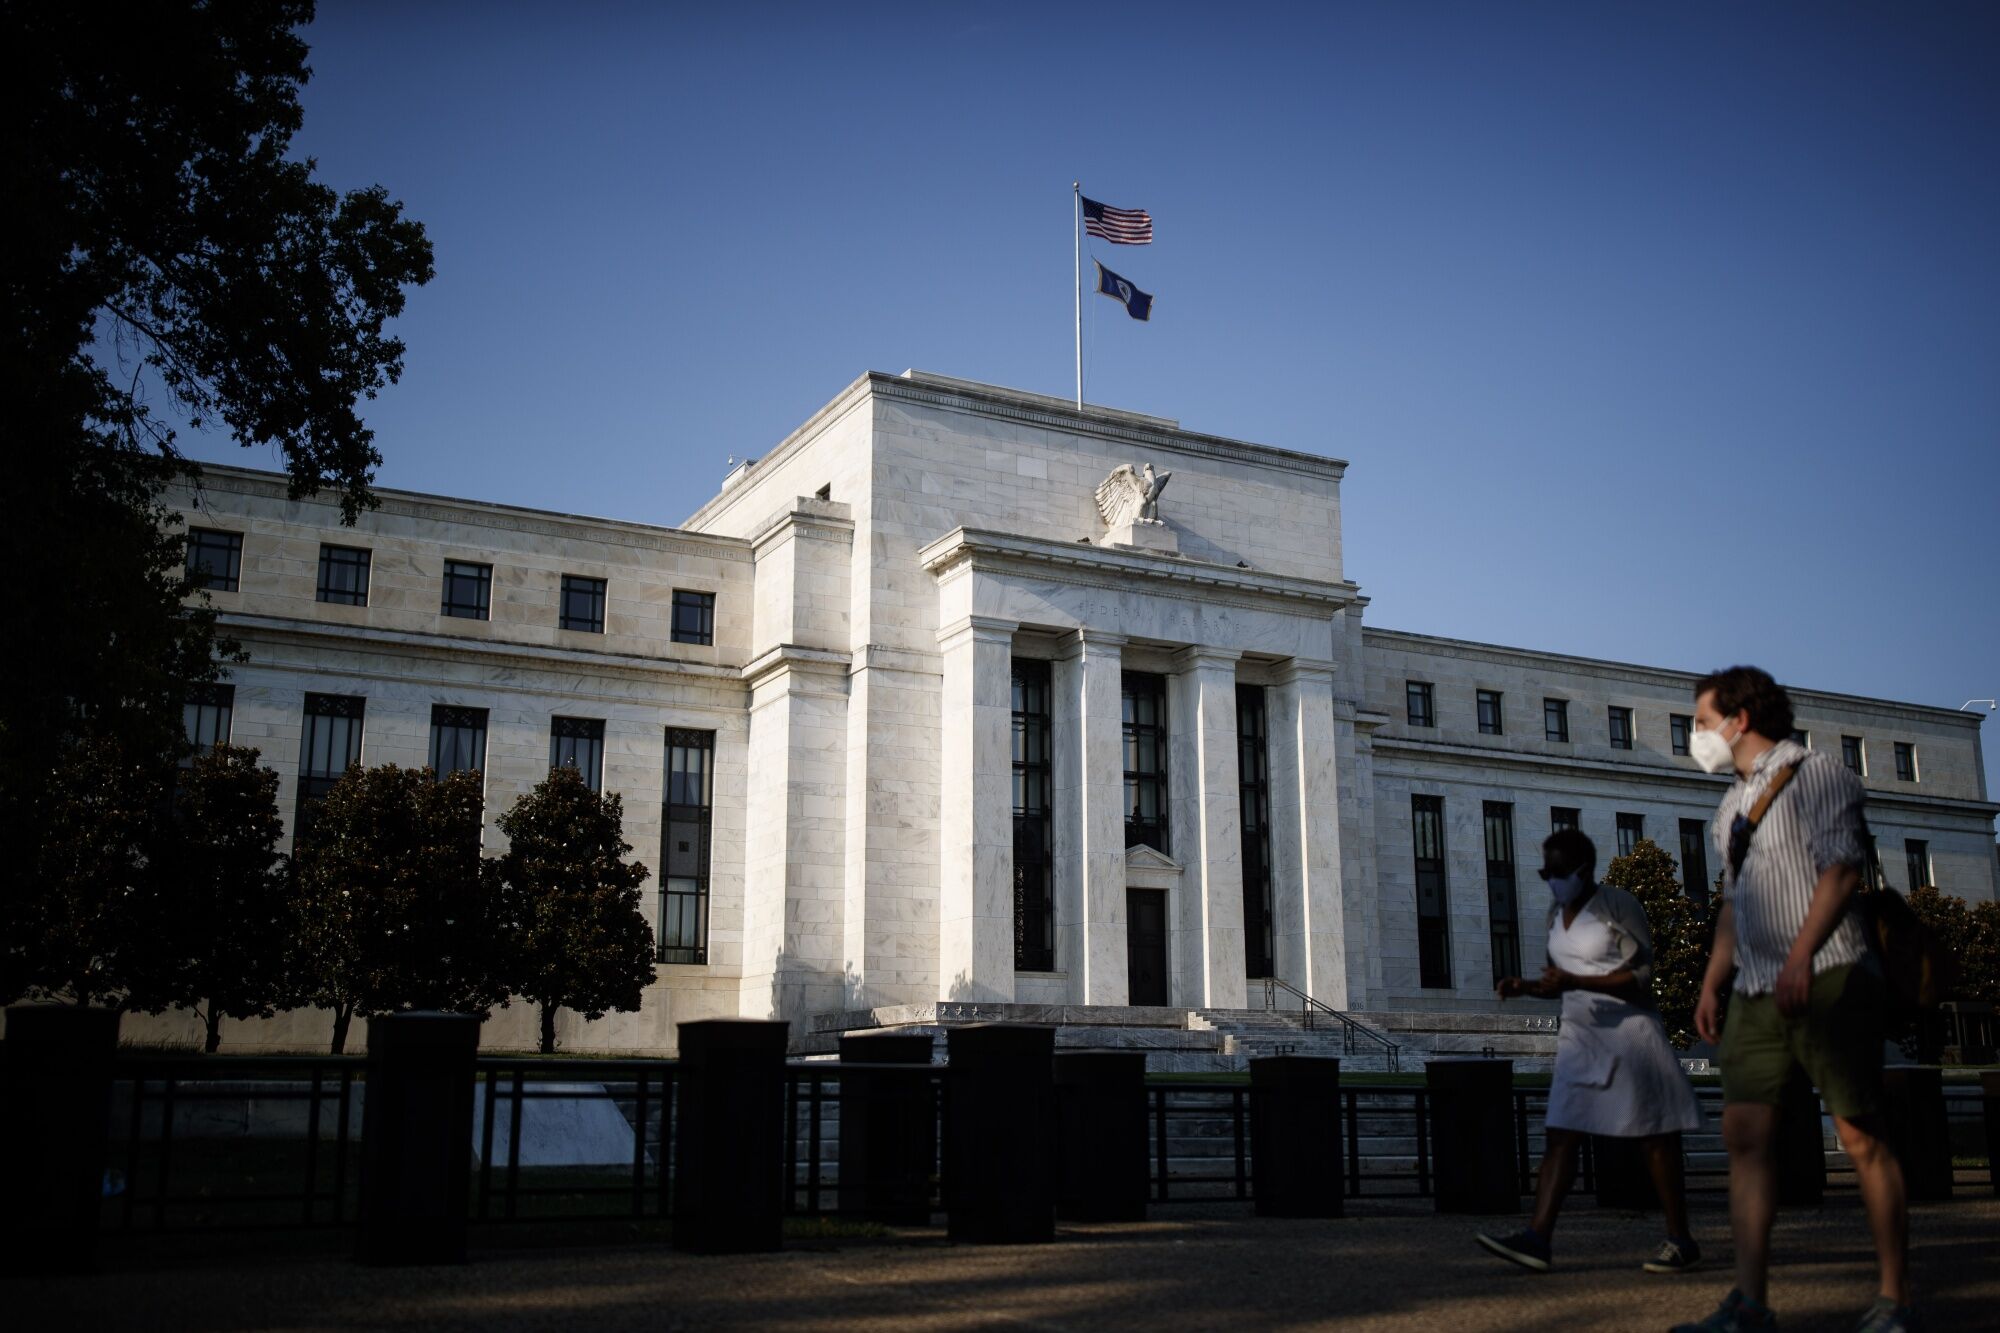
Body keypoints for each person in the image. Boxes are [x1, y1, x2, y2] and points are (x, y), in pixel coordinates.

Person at [1671, 666, 1914, 1333]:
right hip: (1754, 986)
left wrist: (1802, 953)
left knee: (1861, 1134)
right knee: (1745, 1136)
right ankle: (1750, 1302)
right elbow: (1732, 904)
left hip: (1828, 972)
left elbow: (1841, 869)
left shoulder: (1820, 774)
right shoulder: (1729, 806)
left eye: (1699, 721)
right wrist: (1711, 981)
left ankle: (1894, 1298)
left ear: (1738, 718)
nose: (1695, 735)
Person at [1477, 827, 1704, 1276]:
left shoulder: (1617, 907)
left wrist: (1576, 982)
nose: (1552, 879)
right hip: (1581, 1038)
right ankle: (1538, 1237)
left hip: (1629, 1034)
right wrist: (1524, 987)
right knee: (1561, 1134)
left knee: (1655, 1137)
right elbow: (1560, 979)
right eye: (1546, 871)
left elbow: (1639, 976)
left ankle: (1680, 1237)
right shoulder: (1555, 913)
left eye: (1558, 871)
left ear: (1583, 868)